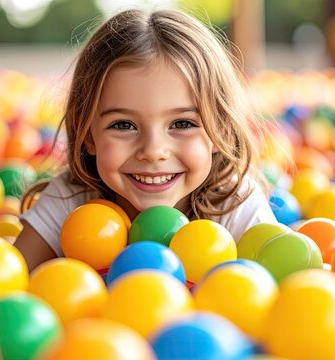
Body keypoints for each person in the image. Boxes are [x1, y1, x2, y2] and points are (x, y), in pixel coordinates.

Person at [14, 8, 285, 272]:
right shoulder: (72, 199)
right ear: (86, 133)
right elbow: (11, 284)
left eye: (182, 123)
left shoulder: (233, 203)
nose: (153, 151)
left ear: (221, 130)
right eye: (123, 125)